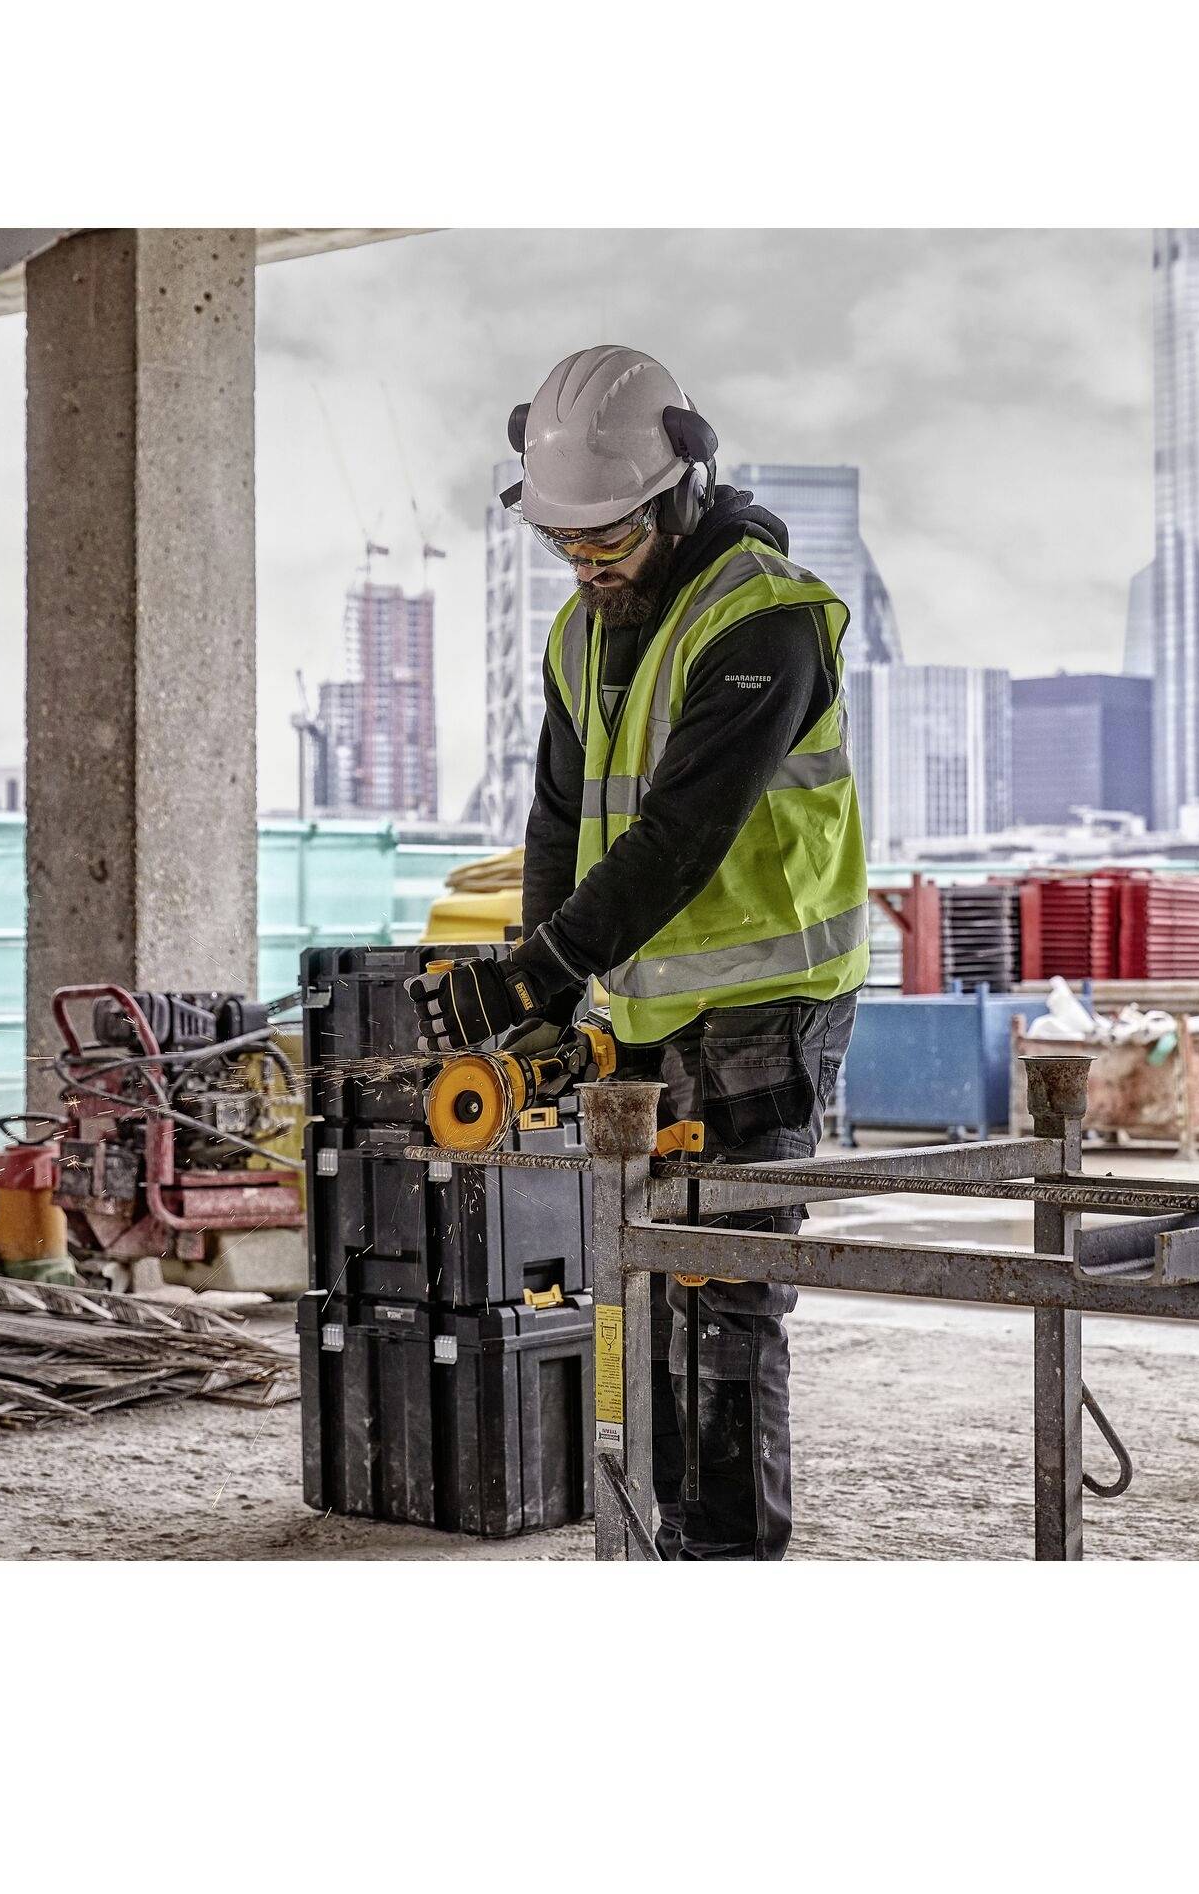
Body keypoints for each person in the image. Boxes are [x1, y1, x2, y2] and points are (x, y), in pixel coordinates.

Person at [407, 344, 868, 1559]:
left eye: (607, 537)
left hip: (769, 1002)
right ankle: (655, 1544)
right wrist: (538, 990)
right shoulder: (579, 633)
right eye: (566, 541)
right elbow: (558, 820)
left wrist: (541, 970)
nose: (586, 561)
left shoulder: (768, 620)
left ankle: (726, 1559)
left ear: (677, 493)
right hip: (649, 1007)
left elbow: (681, 836)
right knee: (645, 1294)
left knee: (725, 1299)